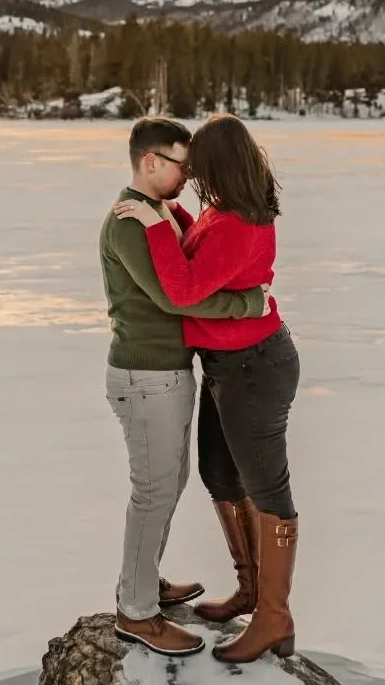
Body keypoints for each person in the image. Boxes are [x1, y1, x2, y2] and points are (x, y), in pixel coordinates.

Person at [113, 113, 300, 664]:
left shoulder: (239, 222)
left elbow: (184, 289)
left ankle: (274, 615)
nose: (191, 175)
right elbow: (200, 245)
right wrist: (166, 211)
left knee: (268, 489)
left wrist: (153, 225)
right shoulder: (222, 211)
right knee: (219, 474)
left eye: (197, 166)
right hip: (226, 364)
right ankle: (250, 588)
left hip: (254, 367)